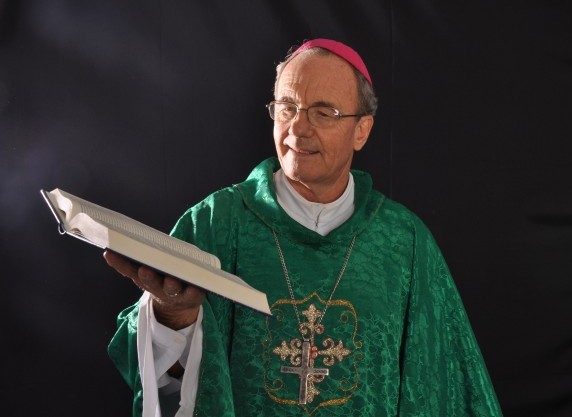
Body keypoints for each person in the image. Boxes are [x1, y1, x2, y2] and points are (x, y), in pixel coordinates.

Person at [105, 38, 503, 417]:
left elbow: (450, 388)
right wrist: (171, 316)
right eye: (287, 107)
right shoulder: (215, 223)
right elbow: (158, 384)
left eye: (323, 113)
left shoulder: (404, 242)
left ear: (361, 130)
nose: (297, 129)